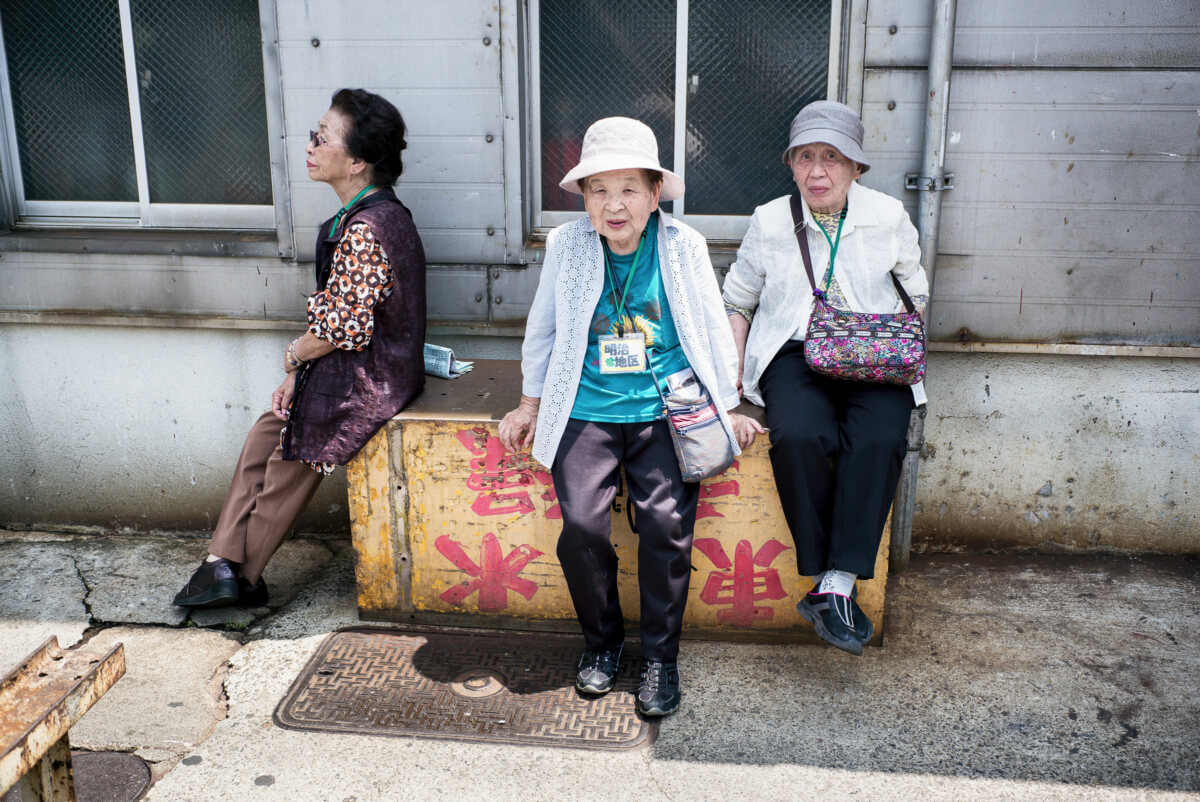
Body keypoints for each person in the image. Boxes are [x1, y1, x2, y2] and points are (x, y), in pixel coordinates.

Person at [498, 117, 760, 717]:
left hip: (668, 409)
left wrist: (730, 406)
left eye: (629, 189)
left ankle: (661, 659)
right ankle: (602, 646)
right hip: (585, 408)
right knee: (584, 529)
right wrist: (532, 402)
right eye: (599, 190)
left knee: (665, 528)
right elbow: (543, 326)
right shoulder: (567, 245)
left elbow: (711, 330)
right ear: (584, 198)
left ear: (653, 194)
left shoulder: (682, 244)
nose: (614, 205)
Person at [173, 88, 426, 609]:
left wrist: (294, 356)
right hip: (353, 368)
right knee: (268, 430)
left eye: (322, 138)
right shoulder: (366, 216)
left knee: (293, 450)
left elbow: (343, 329)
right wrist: (297, 373)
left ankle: (240, 576)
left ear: (356, 161)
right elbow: (340, 324)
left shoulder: (368, 228)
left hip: (368, 380)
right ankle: (219, 561)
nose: (309, 146)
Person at [722, 100, 929, 656]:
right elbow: (737, 302)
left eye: (832, 158)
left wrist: (888, 341)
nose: (818, 171)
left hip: (872, 350)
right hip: (795, 350)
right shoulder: (770, 220)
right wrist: (731, 384)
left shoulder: (887, 217)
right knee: (801, 435)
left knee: (881, 437)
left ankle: (835, 584)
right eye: (806, 157)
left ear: (856, 167)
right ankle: (823, 576)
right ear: (790, 164)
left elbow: (917, 293)